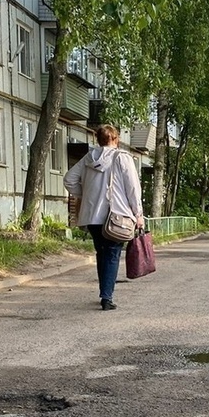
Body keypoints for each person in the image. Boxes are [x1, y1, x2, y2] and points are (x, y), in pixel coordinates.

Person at [63, 124, 145, 311]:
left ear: (98, 139)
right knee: (112, 254)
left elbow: (68, 179)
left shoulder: (88, 158)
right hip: (116, 215)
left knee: (103, 253)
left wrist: (85, 194)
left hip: (92, 216)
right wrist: (138, 214)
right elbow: (132, 188)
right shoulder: (123, 158)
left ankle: (105, 292)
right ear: (116, 139)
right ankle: (106, 297)